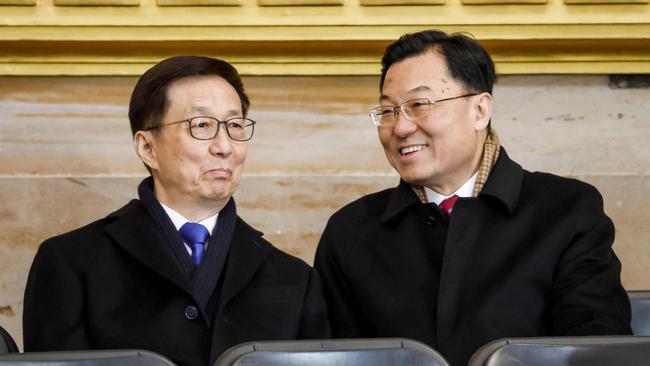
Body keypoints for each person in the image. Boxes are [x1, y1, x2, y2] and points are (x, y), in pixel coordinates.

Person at [314, 30, 631, 366]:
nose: (401, 128)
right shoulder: (350, 232)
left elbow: (598, 351)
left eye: (419, 105)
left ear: (480, 110)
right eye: (388, 111)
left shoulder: (566, 212)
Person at [23, 55, 330, 366]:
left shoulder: (295, 277)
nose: (225, 146)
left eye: (235, 125)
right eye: (201, 125)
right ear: (148, 148)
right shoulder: (71, 264)